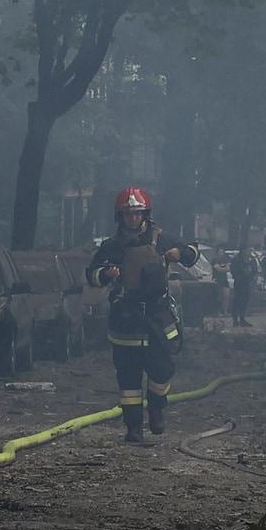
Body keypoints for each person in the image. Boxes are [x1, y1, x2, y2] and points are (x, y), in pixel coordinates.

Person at [85, 187, 200, 443]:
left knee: (163, 370)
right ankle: (133, 427)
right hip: (125, 320)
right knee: (128, 381)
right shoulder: (111, 247)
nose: (133, 218)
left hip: (158, 318)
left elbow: (193, 253)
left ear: (145, 214)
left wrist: (180, 254)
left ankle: (157, 407)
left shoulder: (161, 239)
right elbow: (91, 274)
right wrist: (105, 274)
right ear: (120, 217)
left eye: (137, 213)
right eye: (128, 214)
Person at [229, 248, 257, 327]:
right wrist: (241, 274)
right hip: (239, 282)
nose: (248, 252)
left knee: (245, 300)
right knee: (237, 300)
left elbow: (254, 270)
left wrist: (251, 276)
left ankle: (242, 319)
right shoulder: (236, 259)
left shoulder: (251, 259)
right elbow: (233, 270)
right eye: (247, 250)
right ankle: (235, 320)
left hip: (247, 282)